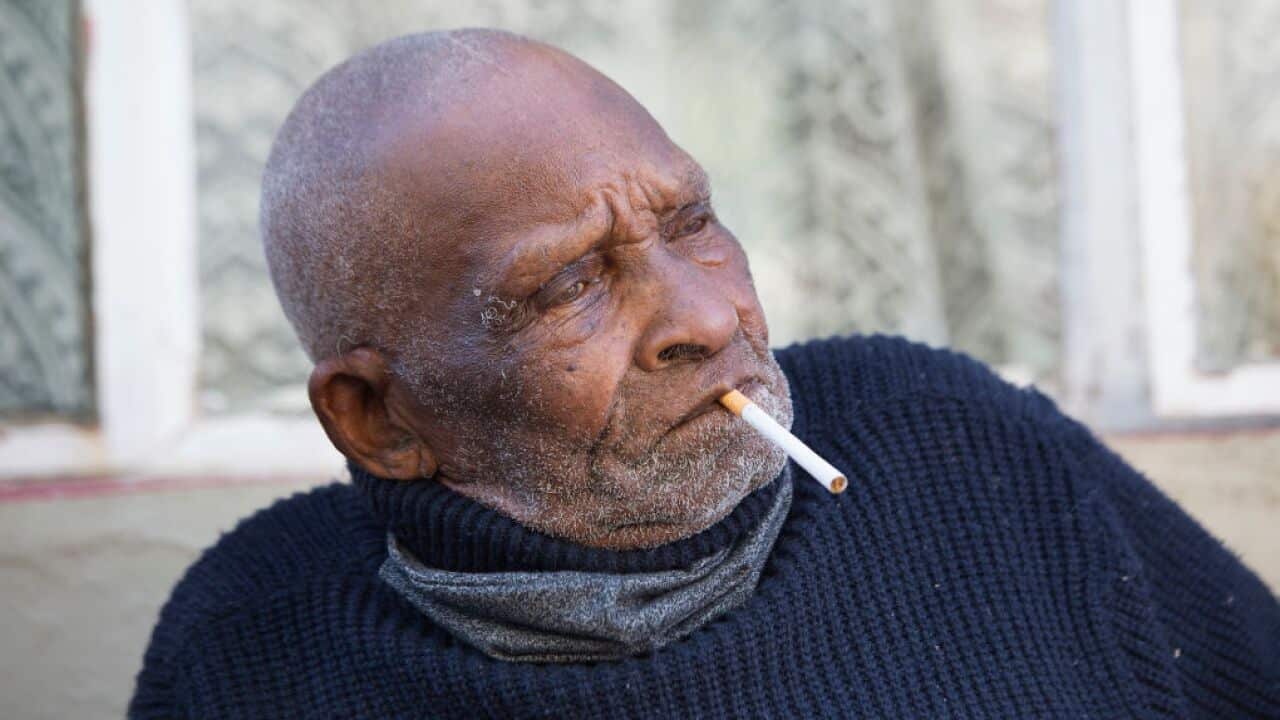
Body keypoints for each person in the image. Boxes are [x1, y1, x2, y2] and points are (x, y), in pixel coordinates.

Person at [129, 29, 1279, 719]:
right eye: (568, 283)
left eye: (691, 223)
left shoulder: (959, 449)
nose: (704, 314)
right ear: (377, 418)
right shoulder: (252, 647)